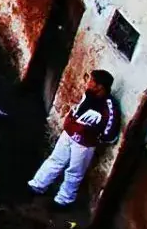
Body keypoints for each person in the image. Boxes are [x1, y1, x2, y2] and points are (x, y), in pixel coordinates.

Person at [30, 69, 122, 209]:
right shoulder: (89, 95)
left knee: (74, 172)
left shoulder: (109, 106)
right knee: (55, 160)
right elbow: (77, 110)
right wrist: (70, 124)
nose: (88, 83)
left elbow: (110, 132)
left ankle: (63, 201)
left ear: (100, 86)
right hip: (69, 134)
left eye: (92, 81)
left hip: (84, 144)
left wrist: (92, 137)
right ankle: (37, 185)